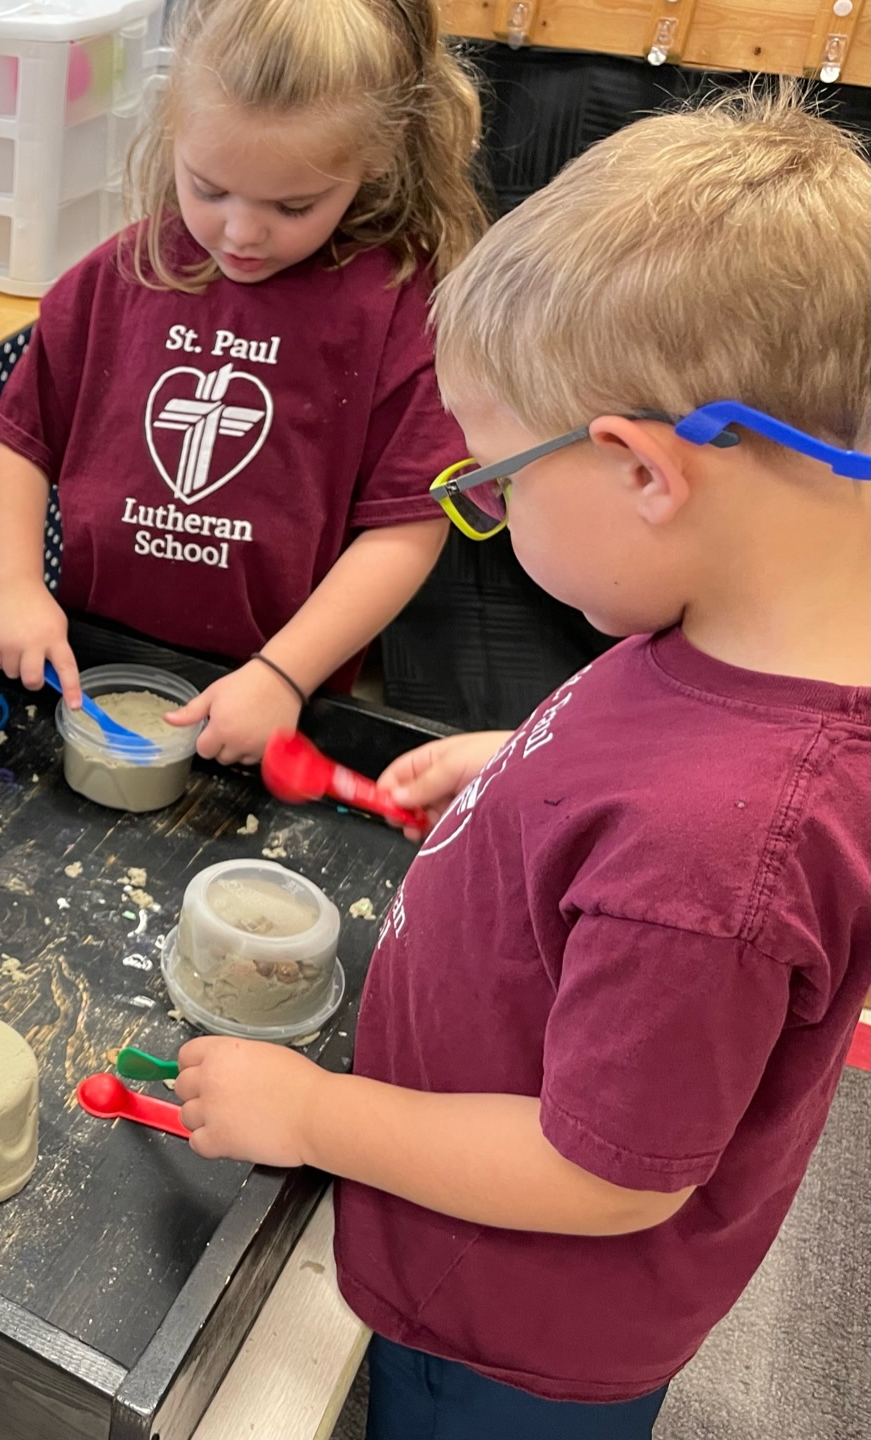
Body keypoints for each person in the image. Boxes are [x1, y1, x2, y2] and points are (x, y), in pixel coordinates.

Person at [172, 91, 870, 1438]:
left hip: (517, 1327)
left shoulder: (714, 856)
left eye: (490, 482)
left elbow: (603, 1173)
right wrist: (518, 761)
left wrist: (317, 1115)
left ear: (641, 473)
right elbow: (659, 742)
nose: (482, 511)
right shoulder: (752, 630)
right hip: (496, 1234)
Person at [0, 0, 484, 764]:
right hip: (89, 659)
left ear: (376, 162)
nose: (241, 233)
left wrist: (283, 676)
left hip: (276, 686)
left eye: (293, 206)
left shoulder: (400, 310)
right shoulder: (119, 274)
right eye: (208, 189)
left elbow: (406, 528)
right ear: (171, 132)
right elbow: (20, 440)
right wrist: (15, 586)